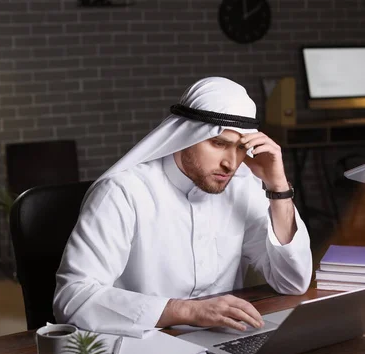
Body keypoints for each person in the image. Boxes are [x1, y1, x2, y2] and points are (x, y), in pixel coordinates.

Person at [53, 77, 312, 338]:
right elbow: (73, 298)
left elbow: (292, 282)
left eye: (240, 148)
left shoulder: (243, 186)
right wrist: (189, 311)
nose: (230, 163)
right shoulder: (122, 192)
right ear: (186, 135)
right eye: (218, 144)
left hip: (226, 338)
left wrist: (278, 188)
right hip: (144, 344)